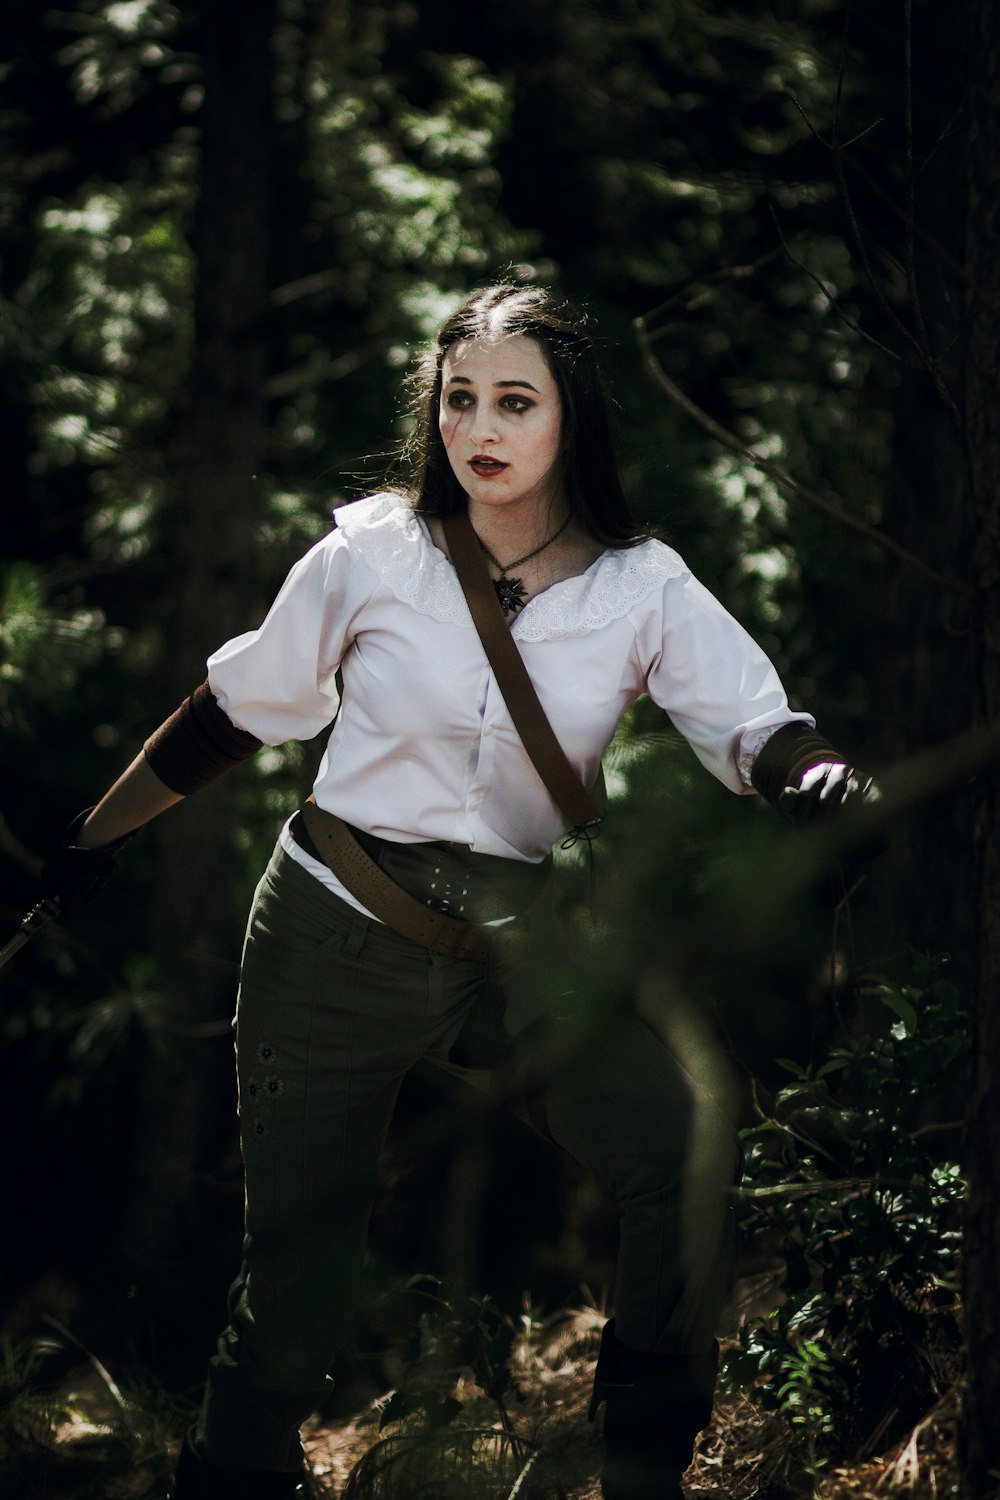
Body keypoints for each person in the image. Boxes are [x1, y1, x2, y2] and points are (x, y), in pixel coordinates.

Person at [43, 283, 874, 1500]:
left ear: (569, 422)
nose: (478, 427)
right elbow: (241, 710)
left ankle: (645, 1469)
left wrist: (823, 781)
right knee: (302, 1282)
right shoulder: (372, 552)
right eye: (459, 400)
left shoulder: (641, 586)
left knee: (679, 1145)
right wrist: (87, 843)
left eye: (514, 402)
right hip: (333, 928)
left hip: (514, 948)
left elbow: (753, 725)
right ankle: (228, 1477)